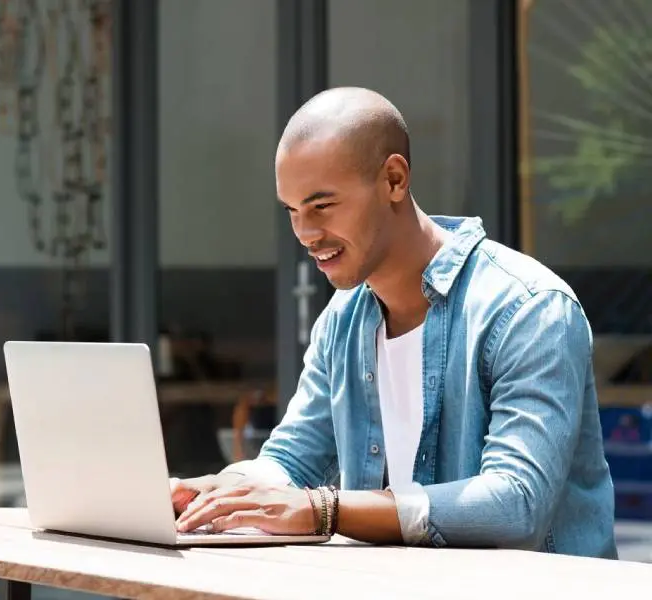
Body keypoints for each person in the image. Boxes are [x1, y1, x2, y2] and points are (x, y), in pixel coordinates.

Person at [171, 87, 617, 558]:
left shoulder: (528, 309)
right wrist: (221, 493)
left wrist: (325, 510)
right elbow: (292, 459)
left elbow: (517, 502)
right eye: (292, 211)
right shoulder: (342, 322)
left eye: (322, 206)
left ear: (394, 180)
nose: (305, 233)